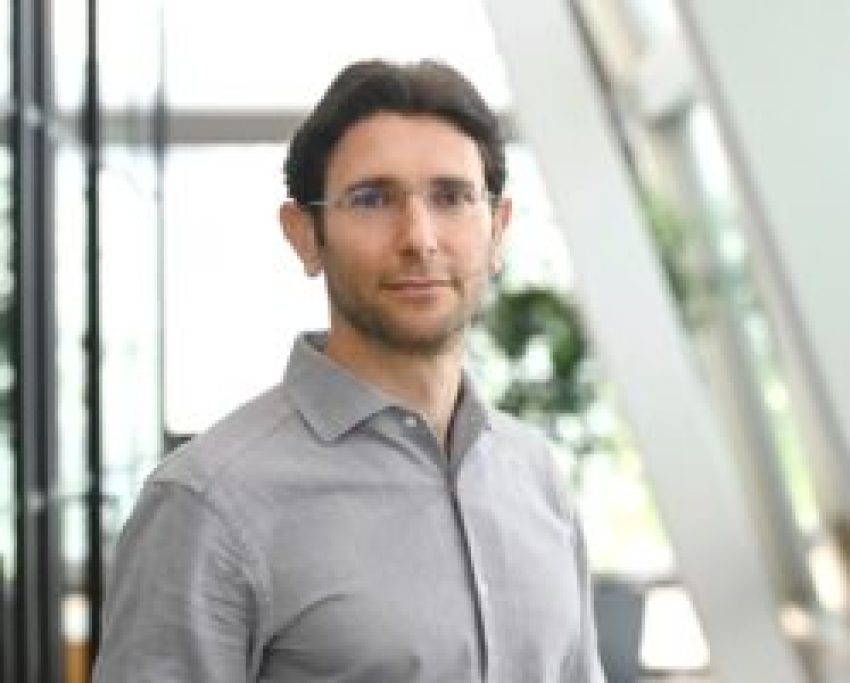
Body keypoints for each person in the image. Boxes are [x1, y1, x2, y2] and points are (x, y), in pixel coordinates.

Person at [93, 59, 606, 682]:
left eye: (451, 197)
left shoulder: (537, 477)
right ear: (306, 235)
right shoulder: (209, 504)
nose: (419, 238)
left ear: (497, 230)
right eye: (372, 200)